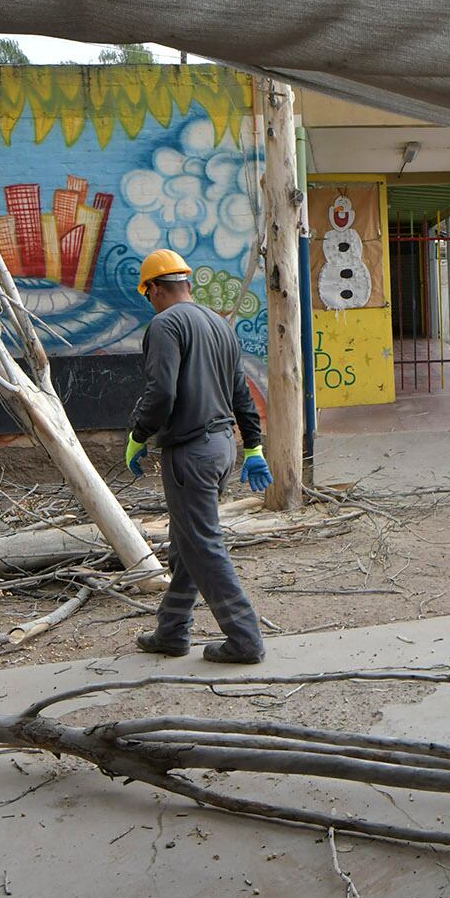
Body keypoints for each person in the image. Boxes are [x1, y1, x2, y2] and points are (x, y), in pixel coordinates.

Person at [125, 248, 272, 664]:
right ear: (186, 283)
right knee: (187, 541)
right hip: (223, 447)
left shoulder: (165, 324)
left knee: (203, 544)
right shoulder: (220, 325)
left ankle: (245, 639)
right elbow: (241, 394)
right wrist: (254, 448)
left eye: (147, 293)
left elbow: (162, 392)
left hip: (190, 453)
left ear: (154, 288)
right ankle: (172, 631)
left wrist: (139, 434)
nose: (149, 300)